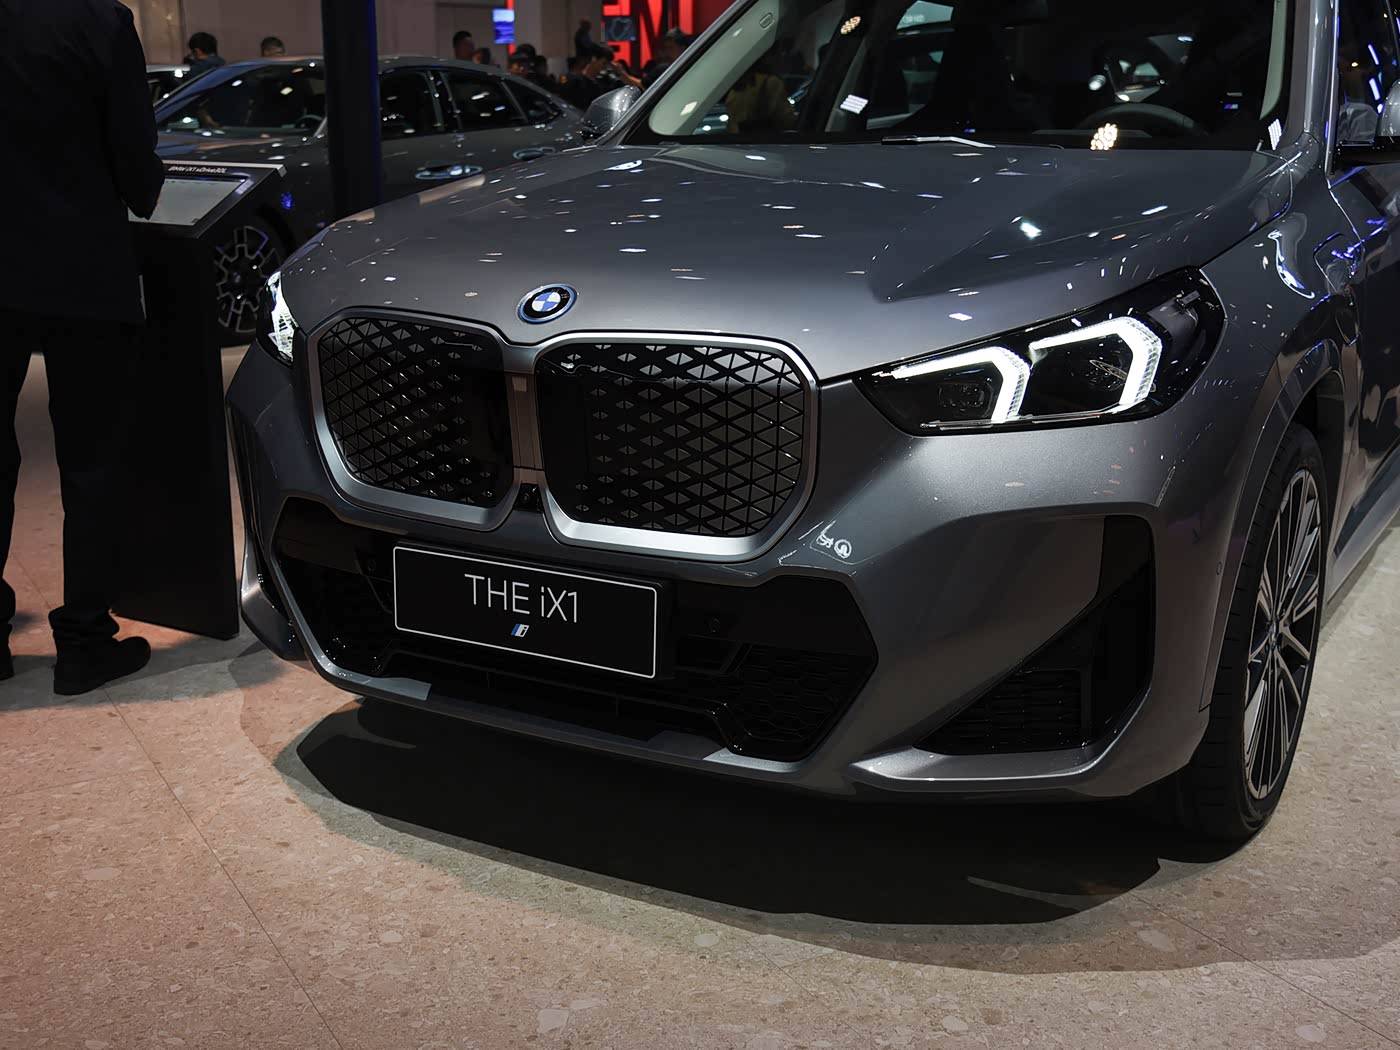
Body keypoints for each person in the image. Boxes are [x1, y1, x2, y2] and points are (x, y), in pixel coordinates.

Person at [0, 0, 165, 693]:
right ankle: (84, 642)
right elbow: (134, 160)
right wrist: (146, 187)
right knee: (92, 462)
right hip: (81, 271)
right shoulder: (99, 22)